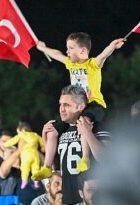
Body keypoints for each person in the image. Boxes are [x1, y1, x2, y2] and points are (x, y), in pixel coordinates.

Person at [35, 32, 124, 175]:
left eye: (70, 48)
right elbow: (57, 54)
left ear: (82, 51)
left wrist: (112, 46)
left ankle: (85, 158)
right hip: (76, 106)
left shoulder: (92, 65)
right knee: (51, 132)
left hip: (93, 105)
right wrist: (42, 48)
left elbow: (103, 55)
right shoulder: (70, 64)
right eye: (67, 48)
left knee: (83, 122)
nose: (67, 51)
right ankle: (46, 167)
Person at [36, 85, 111, 205]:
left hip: (92, 200)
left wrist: (87, 133)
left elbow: (107, 159)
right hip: (67, 200)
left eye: (67, 105)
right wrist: (46, 139)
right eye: (60, 104)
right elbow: (57, 167)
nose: (61, 109)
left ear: (80, 107)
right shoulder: (61, 130)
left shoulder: (95, 125)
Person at [4, 121, 45, 189]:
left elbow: (13, 141)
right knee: (36, 168)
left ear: (22, 130)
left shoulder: (21, 135)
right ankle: (36, 181)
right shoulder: (35, 134)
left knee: (25, 168)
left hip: (26, 155)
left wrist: (5, 144)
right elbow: (42, 142)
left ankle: (24, 181)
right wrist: (43, 148)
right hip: (35, 154)